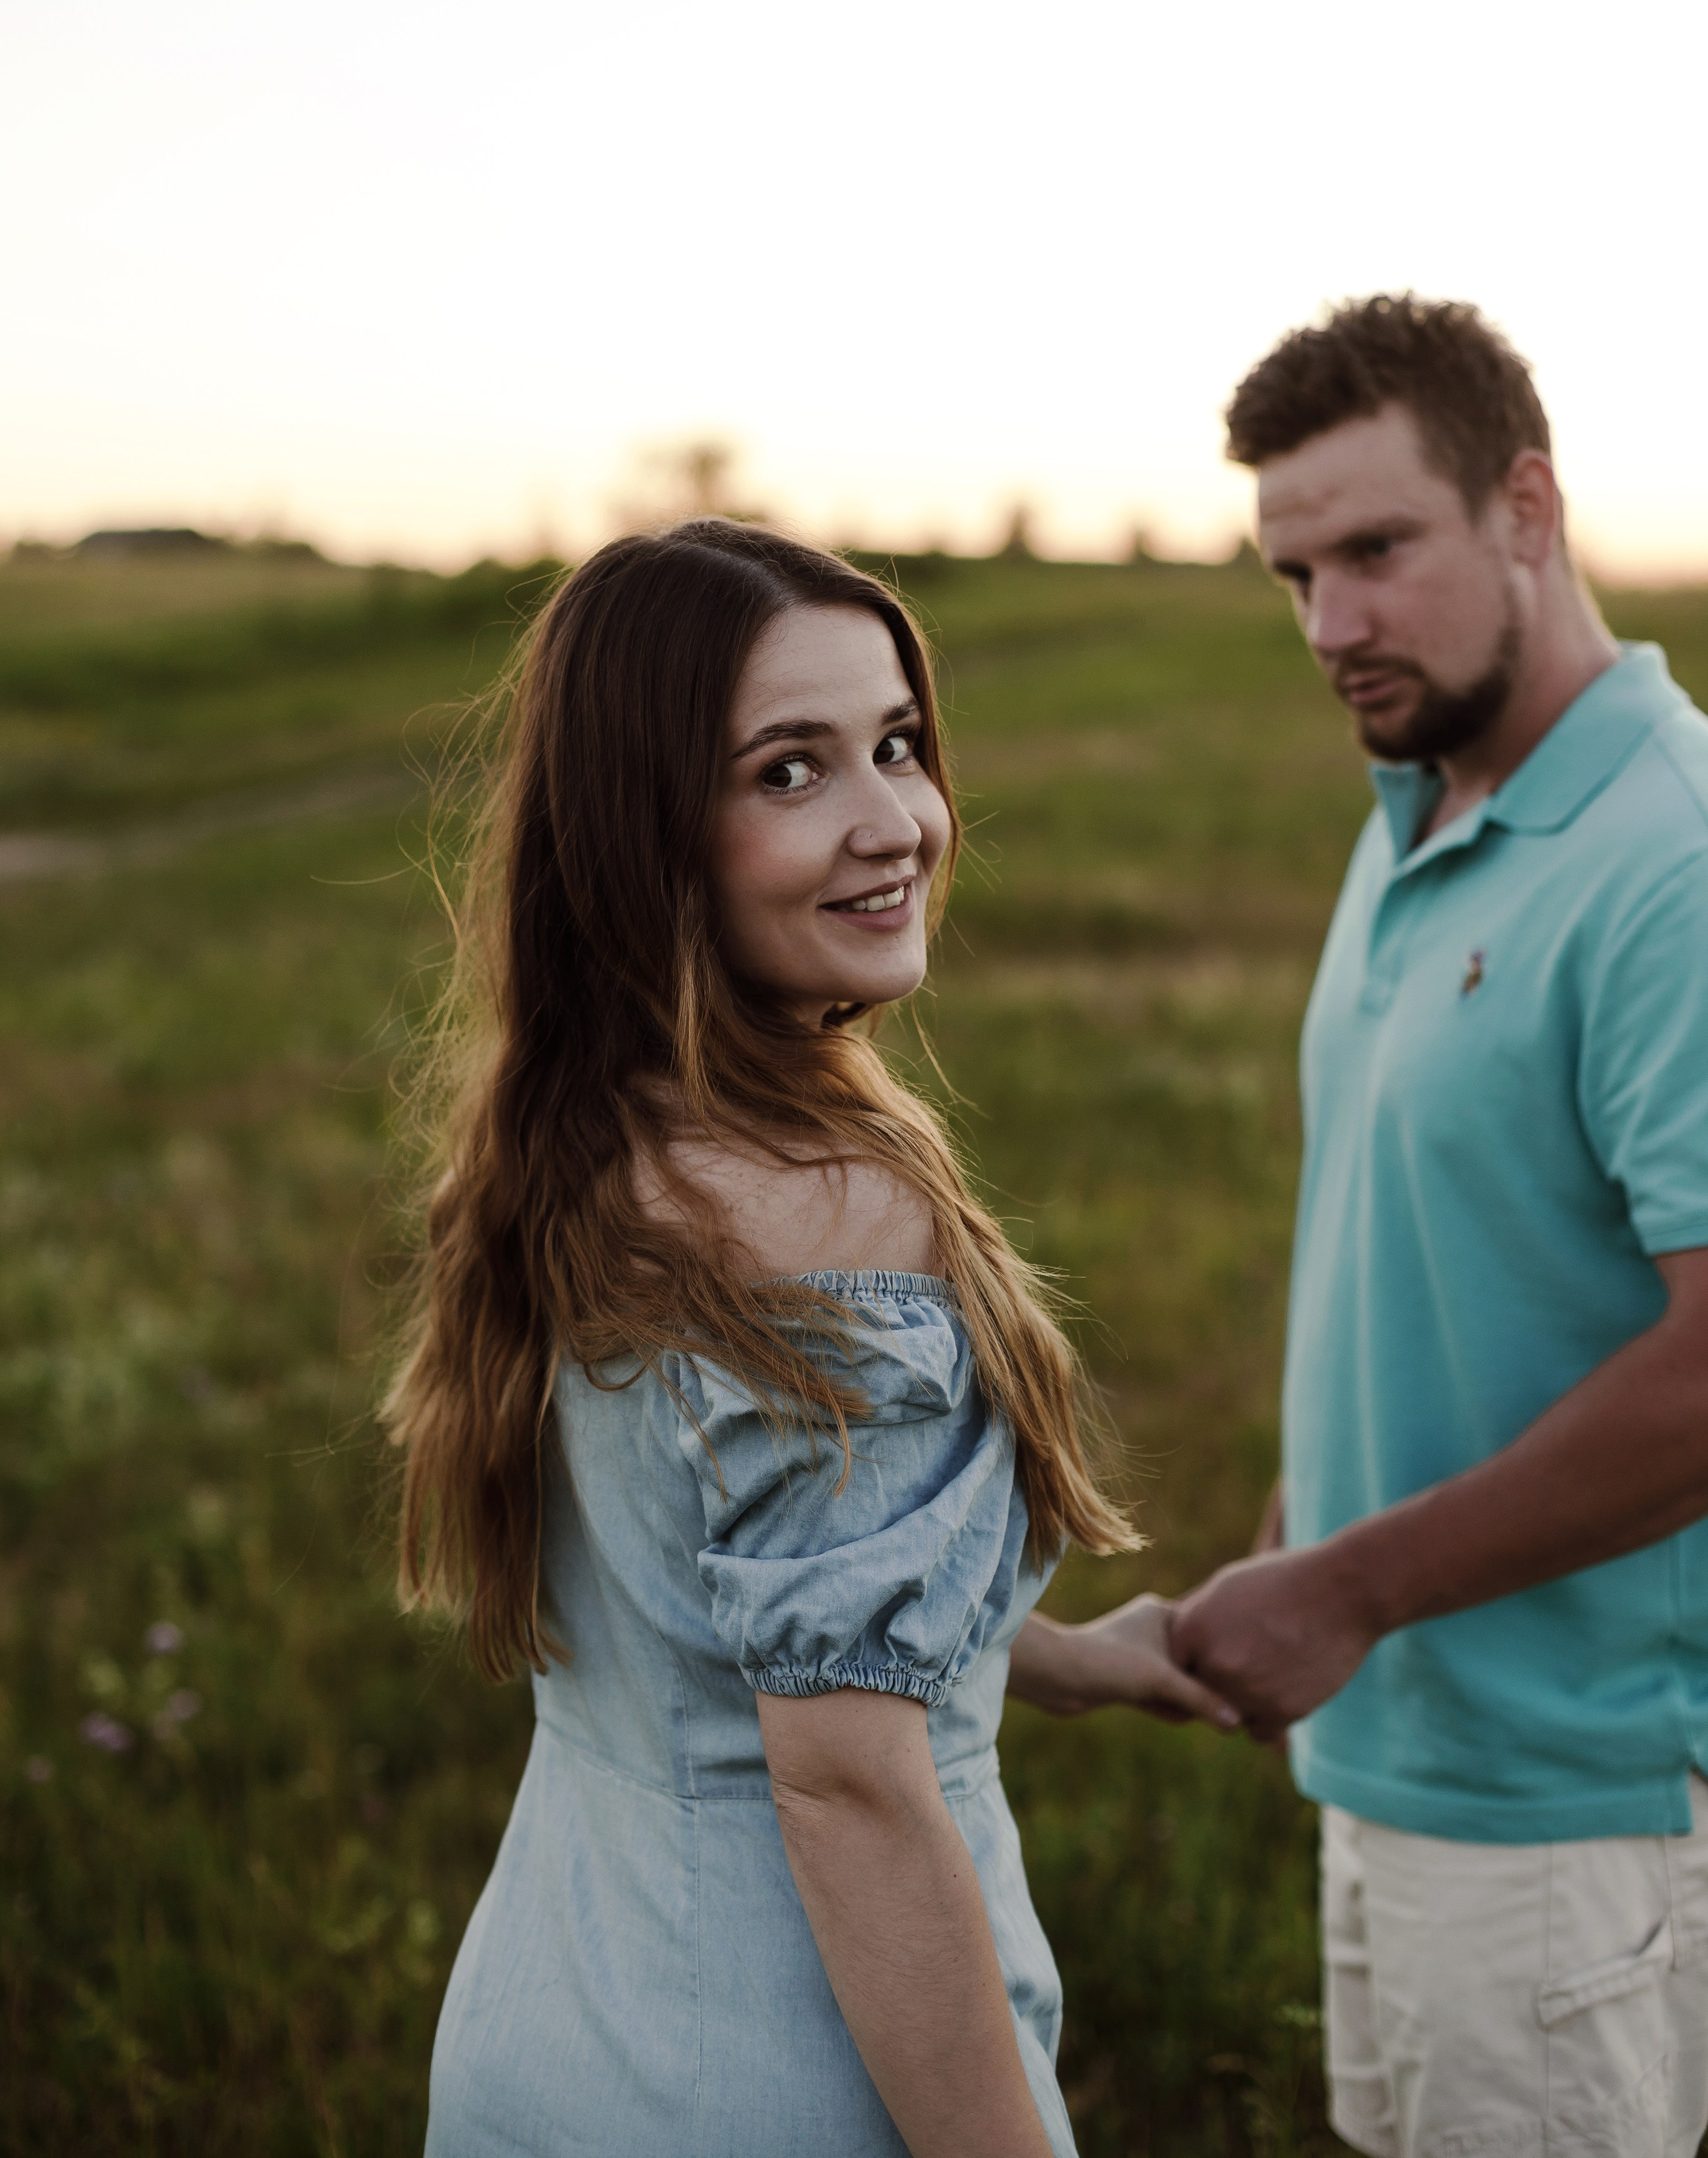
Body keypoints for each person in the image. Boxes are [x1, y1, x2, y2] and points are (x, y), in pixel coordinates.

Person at [385, 518, 1233, 2158]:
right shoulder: (817, 1210)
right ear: (650, 837)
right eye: (788, 772)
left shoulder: (587, 1131)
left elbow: (740, 1603)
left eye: (896, 746)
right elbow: (843, 1784)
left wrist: (1056, 1655)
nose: (891, 823)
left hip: (546, 2036)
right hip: (772, 2079)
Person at [1171, 295, 1708, 2158]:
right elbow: (1428, 1231)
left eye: (1377, 552)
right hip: (1393, 1753)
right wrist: (1308, 1524)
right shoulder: (1414, 806)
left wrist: (1348, 1586)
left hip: (1573, 1806)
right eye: (1292, 573)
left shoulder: (1675, 858)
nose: (1330, 628)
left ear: (1528, 508)